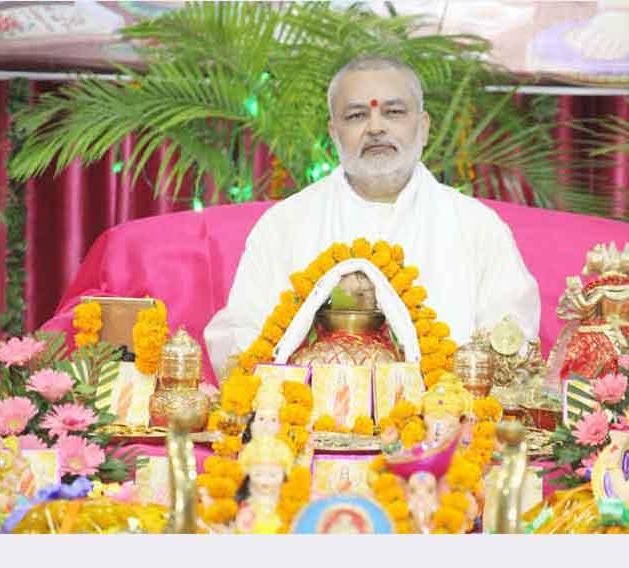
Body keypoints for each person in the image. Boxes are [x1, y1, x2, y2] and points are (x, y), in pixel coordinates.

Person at [204, 55, 541, 376]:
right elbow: (244, 337)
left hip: (445, 426)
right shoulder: (286, 225)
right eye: (356, 116)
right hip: (309, 427)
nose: (376, 127)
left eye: (393, 112)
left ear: (423, 127)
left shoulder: (476, 227)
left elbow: (511, 339)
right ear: (334, 133)